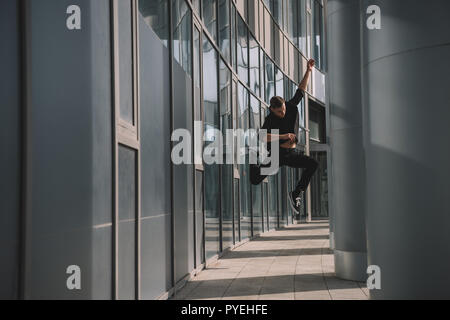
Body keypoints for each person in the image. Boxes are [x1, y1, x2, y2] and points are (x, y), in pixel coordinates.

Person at [250, 59, 319, 215]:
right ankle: (252, 156)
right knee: (254, 180)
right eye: (279, 112)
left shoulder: (291, 106)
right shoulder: (270, 119)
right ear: (272, 110)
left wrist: (308, 70)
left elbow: (301, 89)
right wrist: (283, 136)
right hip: (275, 154)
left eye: (283, 110)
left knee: (313, 164)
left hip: (290, 154)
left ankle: (296, 193)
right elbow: (262, 137)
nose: (283, 113)